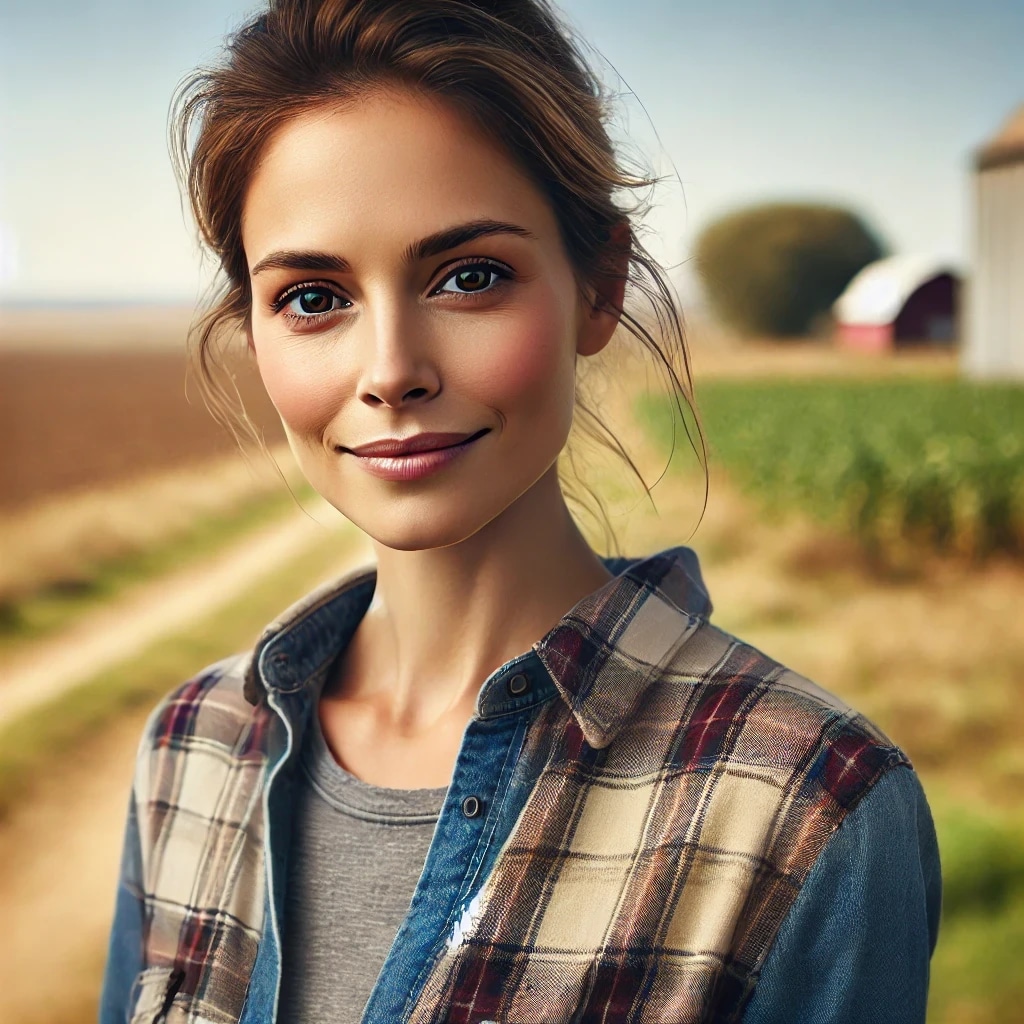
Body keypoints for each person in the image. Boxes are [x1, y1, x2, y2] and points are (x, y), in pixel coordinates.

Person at [99, 1, 941, 1021]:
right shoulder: (191, 747)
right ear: (255, 330)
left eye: (469, 276)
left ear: (598, 282)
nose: (391, 371)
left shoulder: (809, 804)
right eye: (314, 298)